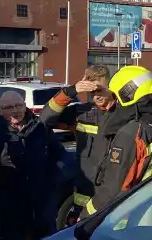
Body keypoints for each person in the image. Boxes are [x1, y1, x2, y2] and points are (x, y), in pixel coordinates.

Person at [81, 65, 152, 218]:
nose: (116, 102)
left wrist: (85, 217)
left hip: (129, 218)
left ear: (128, 94)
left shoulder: (131, 132)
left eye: (117, 97)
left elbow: (113, 189)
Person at [0, 91, 62, 240]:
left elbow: (58, 155)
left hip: (41, 204)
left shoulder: (40, 128)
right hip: (11, 205)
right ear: (0, 110)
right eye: (9, 107)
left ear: (25, 107)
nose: (15, 110)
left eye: (19, 105)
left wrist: (54, 180)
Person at [40, 65, 115, 225]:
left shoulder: (122, 114)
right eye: (92, 92)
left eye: (100, 90)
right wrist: (70, 92)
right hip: (84, 195)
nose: (96, 96)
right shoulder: (81, 113)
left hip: (112, 193)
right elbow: (45, 119)